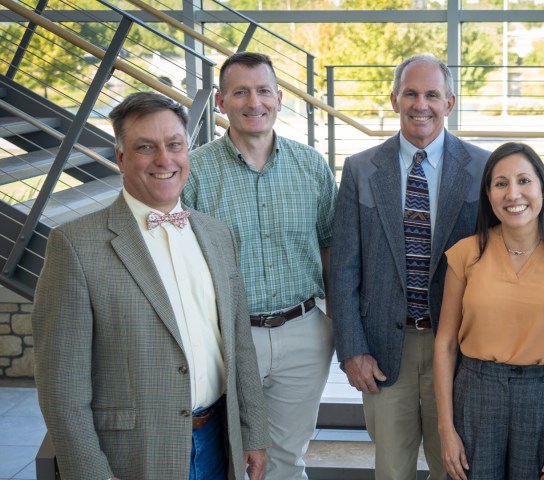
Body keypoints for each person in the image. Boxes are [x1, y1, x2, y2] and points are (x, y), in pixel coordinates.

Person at [32, 91, 270, 480]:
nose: (164, 159)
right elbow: (62, 386)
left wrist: (253, 433)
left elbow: (239, 344)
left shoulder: (217, 235)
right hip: (132, 454)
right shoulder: (75, 246)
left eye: (174, 145)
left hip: (217, 442)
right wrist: (90, 473)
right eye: (146, 147)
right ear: (121, 158)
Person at [330, 53, 490, 480]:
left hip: (458, 350)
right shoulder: (361, 170)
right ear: (394, 99)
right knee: (392, 471)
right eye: (411, 93)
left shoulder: (483, 168)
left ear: (450, 103)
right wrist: (351, 350)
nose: (422, 104)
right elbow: (344, 267)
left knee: (454, 468)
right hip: (383, 352)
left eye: (433, 95)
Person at [182, 52, 337, 480]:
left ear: (280, 98)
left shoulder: (311, 166)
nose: (254, 102)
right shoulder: (194, 173)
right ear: (220, 102)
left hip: (303, 331)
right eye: (241, 92)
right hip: (228, 338)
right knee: (231, 456)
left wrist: (342, 324)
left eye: (263, 90)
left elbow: (330, 249)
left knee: (287, 459)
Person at [434, 143, 544, 480]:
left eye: (524, 181)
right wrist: (446, 429)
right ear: (488, 194)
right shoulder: (465, 254)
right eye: (501, 184)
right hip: (477, 390)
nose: (513, 194)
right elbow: (445, 344)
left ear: (542, 187)